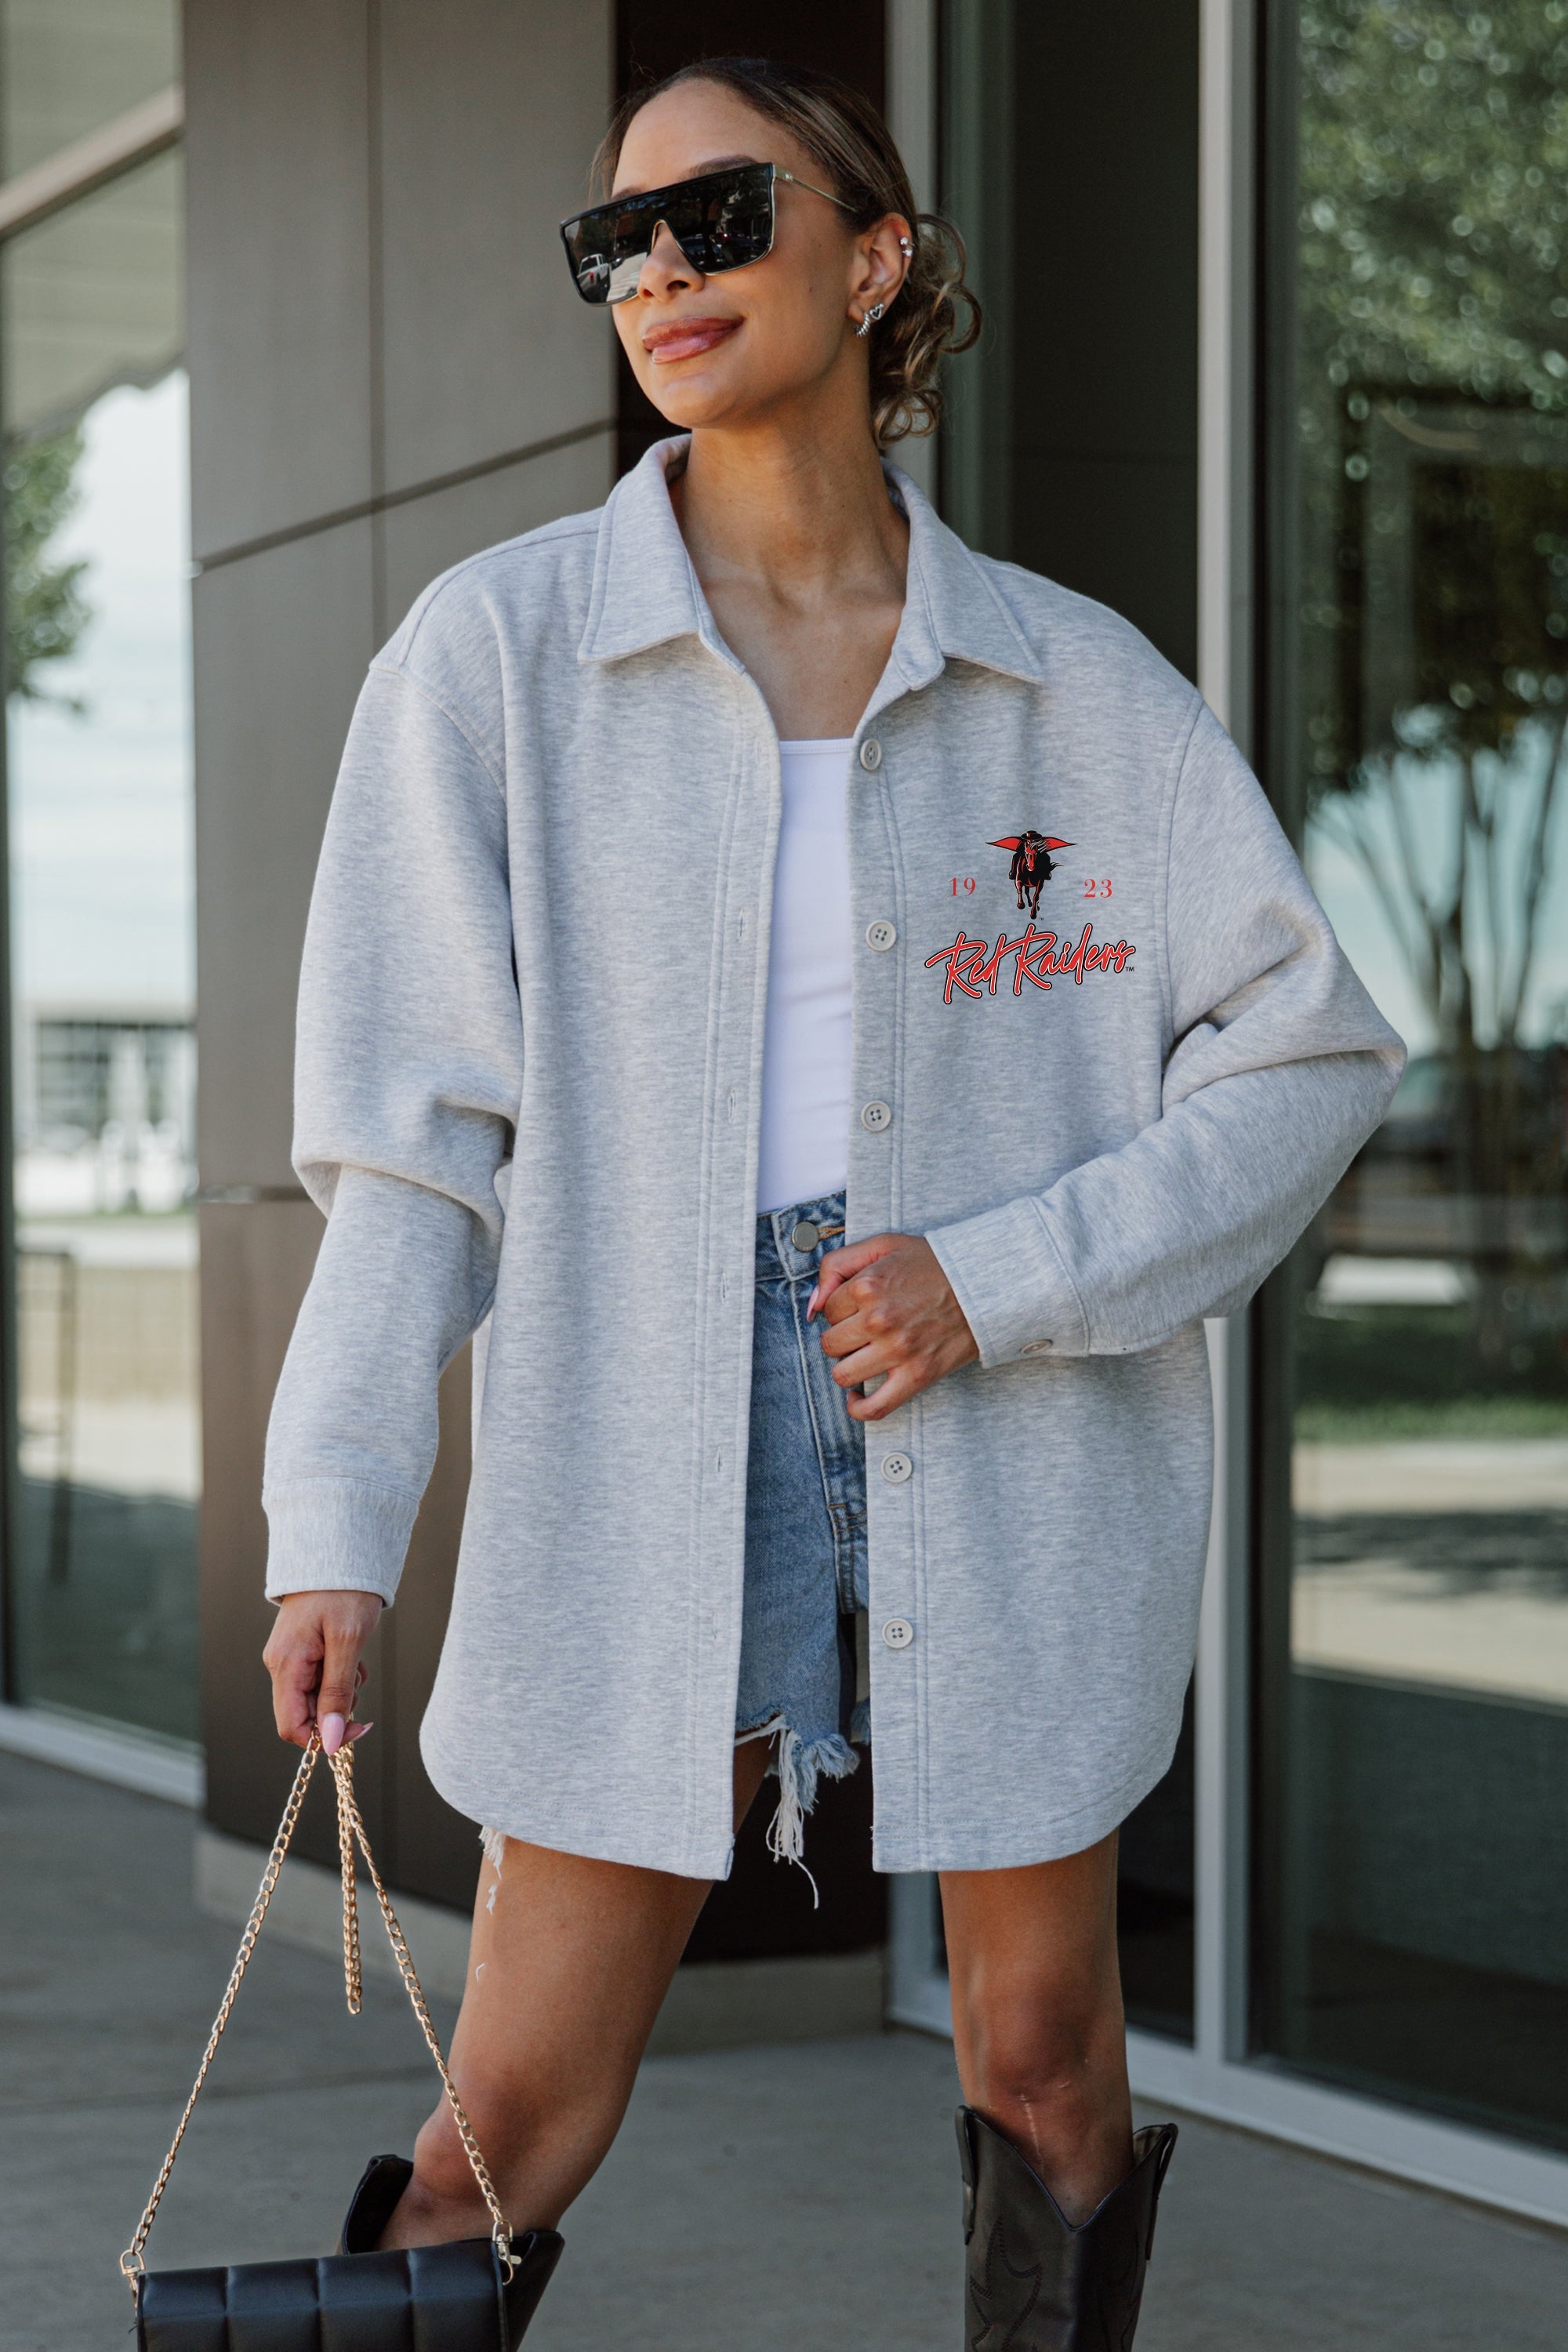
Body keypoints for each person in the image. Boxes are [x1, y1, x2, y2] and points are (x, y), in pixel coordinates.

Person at [259, 54, 1403, 2347]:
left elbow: (1309, 1053)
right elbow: (410, 1149)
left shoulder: (1079, 690)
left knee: (1044, 2060)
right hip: (642, 1390)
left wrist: (1007, 1276)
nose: (658, 272)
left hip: (996, 1386)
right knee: (516, 2108)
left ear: (872, 258)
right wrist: (333, 1516)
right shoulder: (491, 661)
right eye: (617, 241)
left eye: (719, 214)